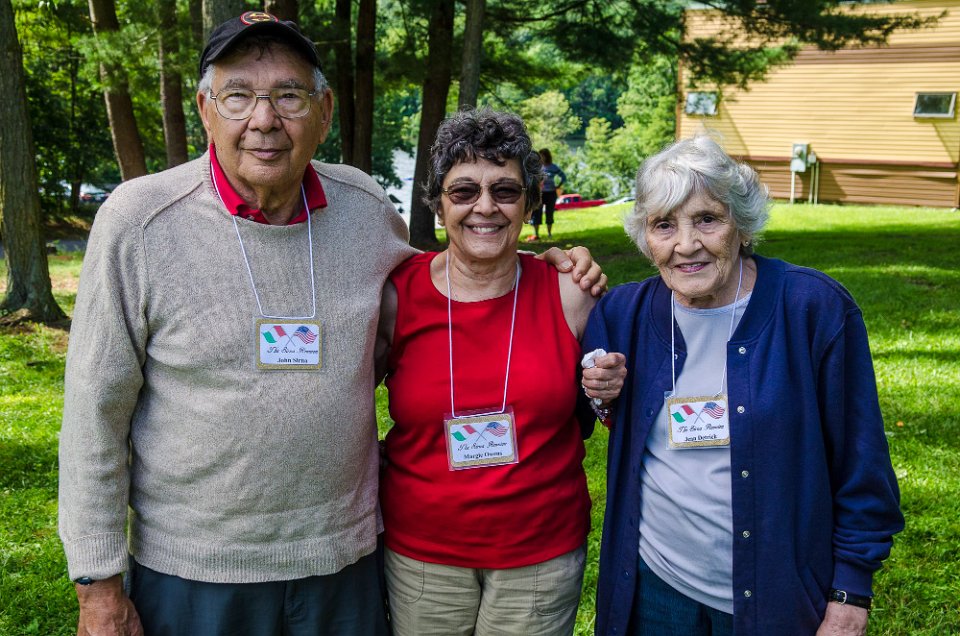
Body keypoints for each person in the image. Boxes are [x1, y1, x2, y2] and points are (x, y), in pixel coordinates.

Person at [57, 13, 603, 635]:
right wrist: (97, 583)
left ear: (324, 111)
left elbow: (458, 271)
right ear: (206, 110)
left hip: (343, 560)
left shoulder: (364, 210)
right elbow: (94, 411)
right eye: (239, 95)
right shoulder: (140, 222)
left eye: (289, 95)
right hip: (198, 568)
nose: (265, 119)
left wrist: (546, 266)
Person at [582, 135, 904, 636]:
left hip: (777, 594)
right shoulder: (623, 312)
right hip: (655, 588)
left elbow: (861, 463)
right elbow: (590, 413)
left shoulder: (813, 308)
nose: (686, 244)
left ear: (742, 223)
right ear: (646, 237)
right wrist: (600, 395)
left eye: (707, 219)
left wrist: (850, 594)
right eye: (664, 225)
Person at [375, 109, 624, 636]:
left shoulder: (570, 291)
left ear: (530, 203)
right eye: (464, 191)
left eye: (505, 191)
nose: (485, 206)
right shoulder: (397, 295)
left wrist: (609, 386)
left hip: (539, 553)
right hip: (422, 553)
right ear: (439, 204)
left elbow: (613, 404)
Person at [526, 148, 566, 241]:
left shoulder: (553, 167)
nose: (541, 157)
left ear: (547, 156)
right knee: (536, 212)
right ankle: (536, 234)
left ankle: (549, 234)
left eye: (542, 155)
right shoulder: (537, 167)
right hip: (539, 193)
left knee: (549, 212)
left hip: (551, 193)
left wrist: (558, 186)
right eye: (540, 155)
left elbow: (563, 176)